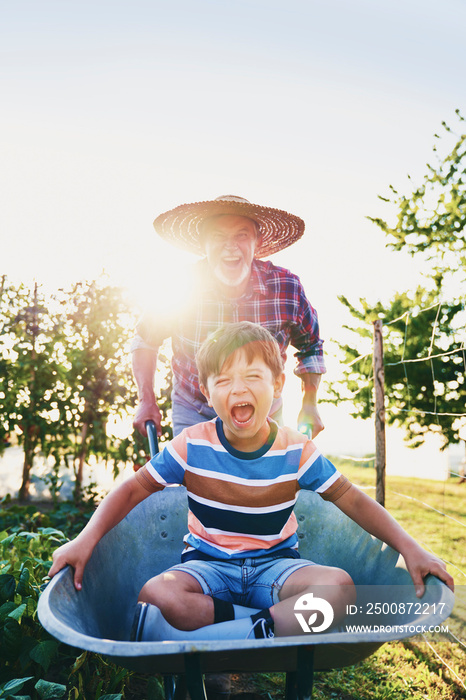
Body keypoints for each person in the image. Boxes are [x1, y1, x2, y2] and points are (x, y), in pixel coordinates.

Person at [49, 322, 454, 643]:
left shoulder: (296, 450)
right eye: (223, 380)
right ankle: (260, 629)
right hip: (207, 568)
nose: (238, 388)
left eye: (252, 375)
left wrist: (410, 547)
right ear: (207, 393)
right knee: (156, 594)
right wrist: (85, 539)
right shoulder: (192, 444)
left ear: (277, 385)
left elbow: (353, 500)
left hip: (276, 568)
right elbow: (132, 489)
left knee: (340, 589)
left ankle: (227, 635)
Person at [132, 194, 326, 441]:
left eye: (241, 235)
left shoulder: (285, 288)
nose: (230, 246)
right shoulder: (181, 287)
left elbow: (311, 346)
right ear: (204, 244)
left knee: (266, 480)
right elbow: (145, 340)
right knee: (194, 479)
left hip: (263, 411)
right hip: (196, 409)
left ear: (258, 241)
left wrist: (310, 403)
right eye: (218, 237)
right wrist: (146, 400)